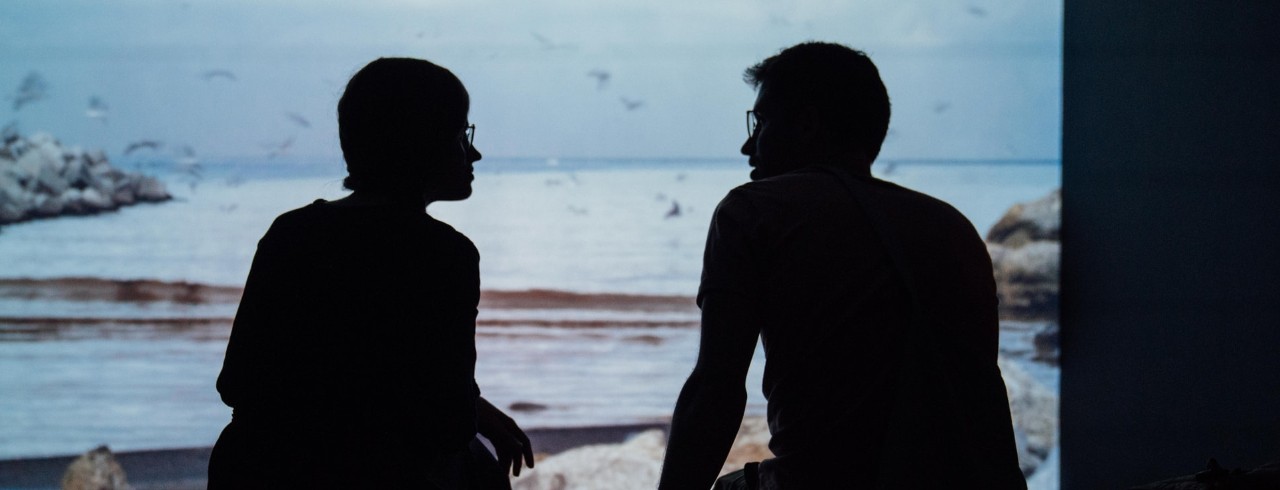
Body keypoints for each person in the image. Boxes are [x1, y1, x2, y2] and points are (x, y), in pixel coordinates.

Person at [658, 42, 1026, 489]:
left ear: (808, 124)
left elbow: (715, 389)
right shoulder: (952, 227)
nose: (747, 146)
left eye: (761, 122)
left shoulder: (753, 211)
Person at [208, 57, 534, 489]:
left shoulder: (292, 232)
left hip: (255, 468)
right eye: (462, 135)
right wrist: (472, 418)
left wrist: (475, 409)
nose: (474, 152)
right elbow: (447, 421)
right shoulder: (443, 253)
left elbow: (238, 382)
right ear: (426, 143)